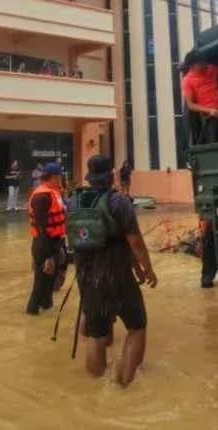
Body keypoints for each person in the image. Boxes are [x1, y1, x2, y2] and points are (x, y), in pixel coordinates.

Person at [69, 154, 157, 387]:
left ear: (89, 177)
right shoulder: (119, 201)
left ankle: (96, 390)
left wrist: (136, 266)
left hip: (86, 278)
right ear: (111, 175)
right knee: (137, 327)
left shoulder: (73, 201)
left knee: (96, 335)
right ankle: (124, 387)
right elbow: (134, 242)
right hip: (116, 275)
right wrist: (147, 270)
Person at [26, 162, 68, 315]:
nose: (61, 179)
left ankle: (47, 309)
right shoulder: (41, 197)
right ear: (52, 177)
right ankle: (32, 312)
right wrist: (48, 256)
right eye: (59, 176)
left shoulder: (54, 192)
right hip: (44, 244)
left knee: (50, 284)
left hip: (55, 242)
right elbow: (41, 229)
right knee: (40, 285)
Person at [181, 50, 218, 144]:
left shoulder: (211, 68)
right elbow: (190, 105)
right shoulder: (187, 81)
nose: (204, 66)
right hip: (209, 117)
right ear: (191, 66)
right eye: (200, 64)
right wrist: (209, 110)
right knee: (214, 144)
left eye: (204, 62)